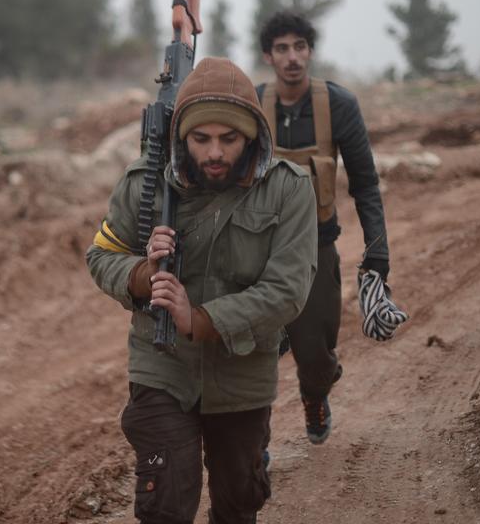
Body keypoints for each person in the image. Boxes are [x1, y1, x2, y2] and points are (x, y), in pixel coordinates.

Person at [86, 56, 317, 524]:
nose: (214, 152)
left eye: (229, 139)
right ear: (181, 137)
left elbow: (287, 290)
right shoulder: (145, 185)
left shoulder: (289, 190)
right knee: (165, 502)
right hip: (161, 367)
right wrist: (143, 275)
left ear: (252, 135)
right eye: (200, 139)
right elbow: (100, 256)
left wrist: (202, 319)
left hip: (243, 376)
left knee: (238, 500)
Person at [257, 11, 390, 445]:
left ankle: (315, 394)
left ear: (310, 51)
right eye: (282, 48)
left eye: (299, 47)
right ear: (268, 55)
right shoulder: (253, 107)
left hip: (316, 246)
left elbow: (366, 184)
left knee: (315, 356)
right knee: (250, 352)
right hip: (259, 249)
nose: (292, 57)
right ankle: (251, 442)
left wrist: (378, 252)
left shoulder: (338, 105)